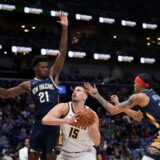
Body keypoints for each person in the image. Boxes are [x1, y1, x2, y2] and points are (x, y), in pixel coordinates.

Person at [0, 11, 68, 160]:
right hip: (39, 122)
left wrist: (64, 29)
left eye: (46, 66)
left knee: (50, 155)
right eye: (42, 67)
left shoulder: (53, 76)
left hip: (53, 121)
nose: (45, 68)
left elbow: (62, 52)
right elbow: (5, 94)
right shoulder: (29, 84)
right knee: (33, 154)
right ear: (35, 68)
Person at [84, 73, 160, 160]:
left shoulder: (140, 96)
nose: (134, 85)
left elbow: (112, 110)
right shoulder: (154, 95)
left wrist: (97, 95)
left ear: (140, 85)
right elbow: (139, 116)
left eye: (135, 83)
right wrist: (120, 105)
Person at [42, 86, 101, 160]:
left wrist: (90, 126)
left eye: (78, 90)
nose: (74, 92)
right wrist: (67, 121)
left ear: (85, 96)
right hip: (65, 153)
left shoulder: (92, 115)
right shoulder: (64, 107)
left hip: (85, 153)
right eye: (74, 90)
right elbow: (45, 120)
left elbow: (97, 142)